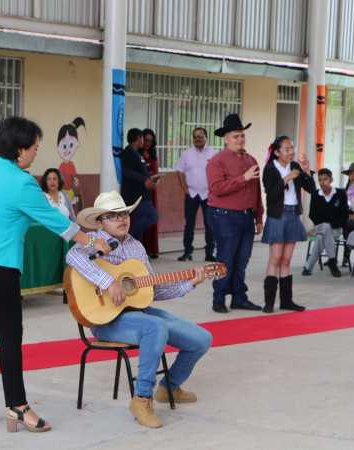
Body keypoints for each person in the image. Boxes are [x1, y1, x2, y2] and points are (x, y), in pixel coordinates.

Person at [0, 116, 112, 433]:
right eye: (35, 148)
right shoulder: (22, 183)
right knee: (10, 339)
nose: (37, 154)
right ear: (20, 151)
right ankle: (18, 408)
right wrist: (96, 241)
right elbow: (61, 225)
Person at [66, 191, 211, 429]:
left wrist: (189, 283)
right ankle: (142, 398)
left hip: (138, 313)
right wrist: (109, 282)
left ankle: (169, 387)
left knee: (202, 339)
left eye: (123, 213)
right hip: (105, 321)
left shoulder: (137, 247)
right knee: (155, 326)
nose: (121, 219)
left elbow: (150, 292)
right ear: (99, 222)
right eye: (112, 216)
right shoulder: (92, 241)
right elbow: (73, 257)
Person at [205, 114, 264, 313]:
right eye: (236, 136)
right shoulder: (217, 161)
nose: (240, 139)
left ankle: (239, 296)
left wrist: (258, 217)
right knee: (225, 259)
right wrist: (242, 178)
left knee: (242, 259)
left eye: (242, 135)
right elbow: (216, 188)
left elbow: (256, 191)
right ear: (226, 138)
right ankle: (218, 298)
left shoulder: (251, 159)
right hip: (224, 216)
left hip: (247, 215)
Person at [260, 136, 315, 313]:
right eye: (286, 149)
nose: (291, 152)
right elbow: (271, 193)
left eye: (292, 148)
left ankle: (286, 300)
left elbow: (312, 189)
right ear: (277, 152)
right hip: (278, 214)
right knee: (275, 259)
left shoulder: (295, 166)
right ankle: (269, 302)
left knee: (286, 260)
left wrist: (307, 171)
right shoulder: (270, 169)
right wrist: (287, 178)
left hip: (293, 213)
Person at [175, 127, 217, 262]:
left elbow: (219, 173)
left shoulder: (214, 154)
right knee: (189, 225)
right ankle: (187, 252)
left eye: (201, 136)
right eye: (195, 136)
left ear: (206, 137)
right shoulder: (186, 154)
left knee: (210, 224)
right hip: (191, 194)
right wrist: (186, 190)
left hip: (208, 195)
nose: (198, 138)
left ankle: (210, 253)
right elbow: (180, 172)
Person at [302, 168, 348, 278]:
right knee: (325, 228)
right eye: (320, 180)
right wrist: (324, 225)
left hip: (335, 228)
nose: (322, 182)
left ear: (331, 180)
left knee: (320, 238)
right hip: (320, 227)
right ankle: (332, 261)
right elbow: (312, 215)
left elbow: (344, 215)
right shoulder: (315, 194)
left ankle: (308, 267)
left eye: (325, 179)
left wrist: (332, 224)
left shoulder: (340, 194)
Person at [121, 128, 158, 242]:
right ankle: (129, 235)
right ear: (138, 138)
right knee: (153, 216)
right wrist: (144, 180)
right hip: (137, 195)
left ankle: (137, 253)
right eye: (142, 138)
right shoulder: (129, 152)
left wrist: (150, 179)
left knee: (139, 221)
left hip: (143, 193)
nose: (144, 141)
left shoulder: (136, 153)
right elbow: (126, 170)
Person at [56, 117, 86, 210]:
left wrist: (76, 182)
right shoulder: (61, 166)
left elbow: (74, 178)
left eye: (71, 145)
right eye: (64, 145)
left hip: (70, 192)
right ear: (58, 146)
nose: (67, 149)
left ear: (77, 143)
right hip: (62, 192)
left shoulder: (71, 165)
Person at [140, 128, 160, 258]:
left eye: (150, 141)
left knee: (152, 218)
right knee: (141, 218)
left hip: (151, 189)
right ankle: (140, 248)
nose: (148, 143)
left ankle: (151, 248)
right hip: (140, 189)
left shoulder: (153, 155)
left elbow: (156, 172)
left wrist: (156, 180)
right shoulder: (137, 154)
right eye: (146, 140)